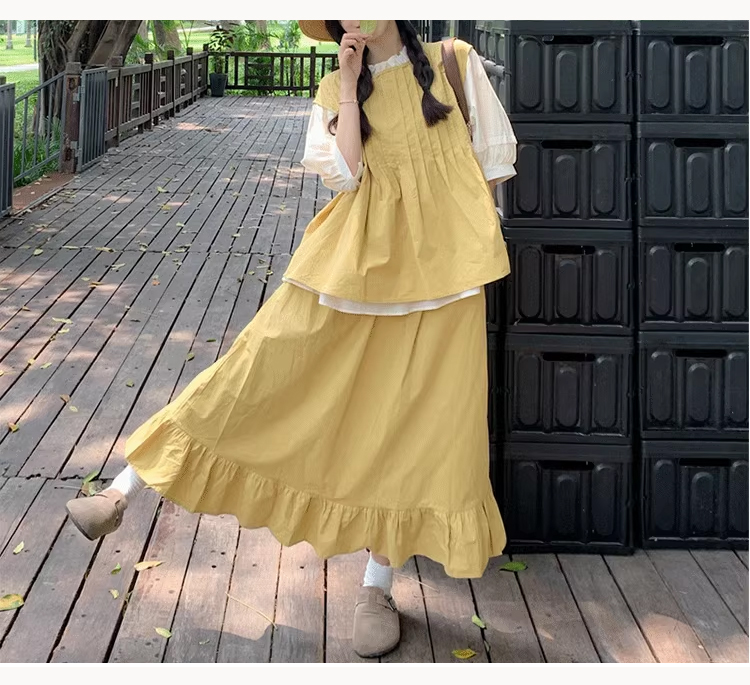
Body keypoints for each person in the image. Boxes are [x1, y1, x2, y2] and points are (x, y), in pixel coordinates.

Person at [65, 20, 517, 660]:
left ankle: (376, 589)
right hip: (352, 268)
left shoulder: (454, 62)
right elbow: (344, 175)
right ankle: (121, 490)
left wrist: (455, 241)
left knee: (420, 428)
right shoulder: (335, 87)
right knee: (259, 365)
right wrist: (350, 85)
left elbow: (493, 166)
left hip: (448, 280)